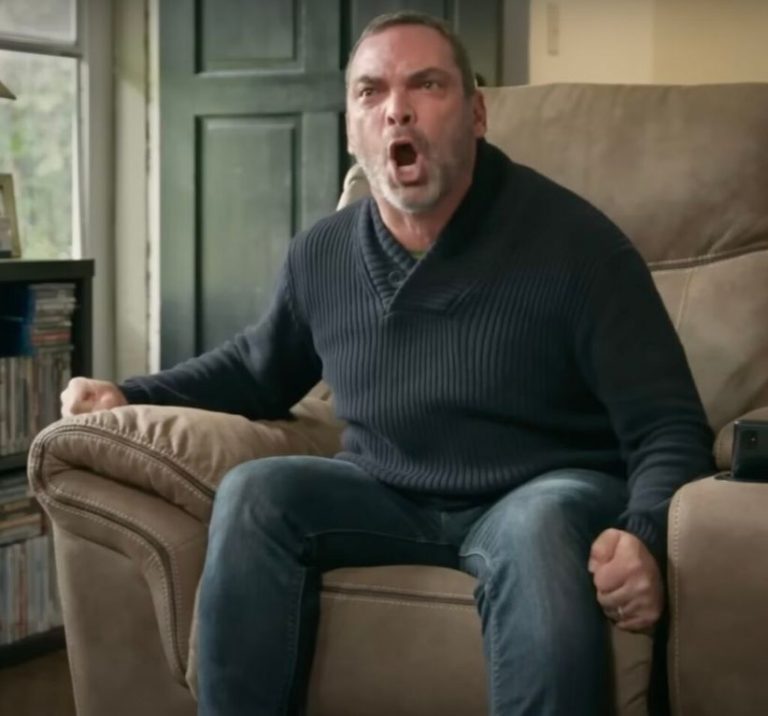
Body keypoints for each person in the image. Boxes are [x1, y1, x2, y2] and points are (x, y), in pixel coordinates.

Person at [60, 11, 714, 716]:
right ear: (352, 129)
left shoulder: (579, 246)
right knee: (254, 492)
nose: (396, 109)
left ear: (477, 114)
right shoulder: (322, 253)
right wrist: (130, 392)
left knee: (536, 526)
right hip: (385, 491)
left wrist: (646, 535)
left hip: (541, 488)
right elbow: (257, 370)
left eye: (426, 85)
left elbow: (668, 425)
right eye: (371, 92)